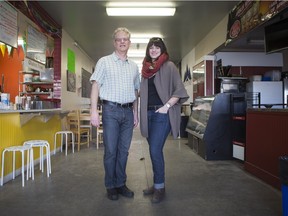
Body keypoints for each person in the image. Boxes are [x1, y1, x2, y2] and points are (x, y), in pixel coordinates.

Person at [90, 27, 140, 201]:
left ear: (129, 42)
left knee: (124, 151)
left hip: (127, 112)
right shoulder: (104, 61)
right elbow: (95, 86)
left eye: (125, 39)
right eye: (119, 39)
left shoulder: (134, 67)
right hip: (110, 110)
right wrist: (94, 111)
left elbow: (136, 92)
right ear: (114, 42)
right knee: (111, 151)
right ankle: (110, 185)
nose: (122, 42)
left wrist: (135, 113)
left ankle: (120, 183)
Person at [139, 37, 189, 203]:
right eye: (151, 47)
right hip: (148, 115)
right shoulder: (146, 70)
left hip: (162, 114)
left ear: (162, 49)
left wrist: (166, 107)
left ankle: (160, 187)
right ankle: (157, 184)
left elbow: (179, 90)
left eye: (157, 47)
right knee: (154, 152)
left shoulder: (169, 66)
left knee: (154, 150)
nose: (153, 50)